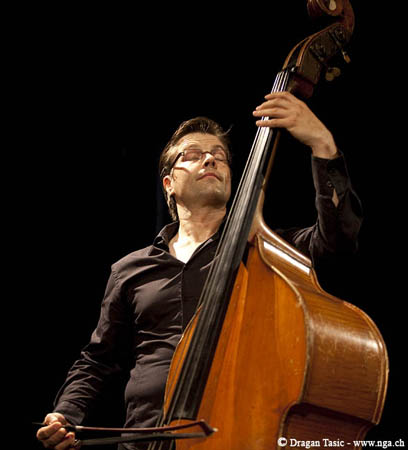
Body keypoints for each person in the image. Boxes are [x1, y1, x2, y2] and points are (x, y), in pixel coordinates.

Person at [36, 92, 363, 450]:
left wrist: (322, 144)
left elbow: (337, 242)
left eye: (220, 156)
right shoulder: (130, 269)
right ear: (169, 184)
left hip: (237, 433)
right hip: (145, 438)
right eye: (193, 155)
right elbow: (98, 360)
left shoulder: (268, 253)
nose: (210, 159)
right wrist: (65, 413)